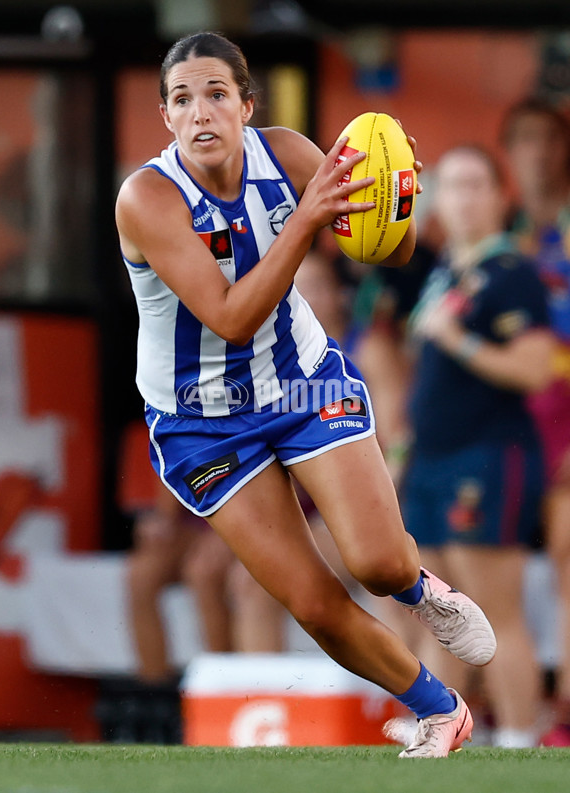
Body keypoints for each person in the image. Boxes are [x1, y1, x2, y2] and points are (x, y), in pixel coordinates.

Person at [114, 31, 497, 758]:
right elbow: (229, 315)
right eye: (183, 98)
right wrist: (312, 216)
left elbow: (390, 249)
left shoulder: (287, 154)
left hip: (301, 379)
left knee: (378, 565)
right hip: (204, 422)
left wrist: (394, 196)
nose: (201, 112)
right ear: (165, 116)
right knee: (315, 604)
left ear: (247, 106)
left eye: (217, 95)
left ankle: (422, 590)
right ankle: (442, 709)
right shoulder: (147, 198)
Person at [396, 145, 555, 747]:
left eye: (473, 185)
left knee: (494, 609)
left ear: (498, 197)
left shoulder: (511, 272)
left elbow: (535, 369)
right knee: (439, 616)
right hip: (432, 460)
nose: (459, 198)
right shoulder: (444, 274)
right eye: (450, 186)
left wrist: (457, 339)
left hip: (489, 455)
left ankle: (518, 740)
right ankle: (443, 736)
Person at [501, 97, 570, 746]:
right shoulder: (495, 232)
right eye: (526, 140)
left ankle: (566, 711)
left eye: (551, 140)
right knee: (478, 564)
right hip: (504, 423)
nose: (540, 152)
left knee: (569, 550)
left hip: (566, 417)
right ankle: (499, 700)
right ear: (510, 153)